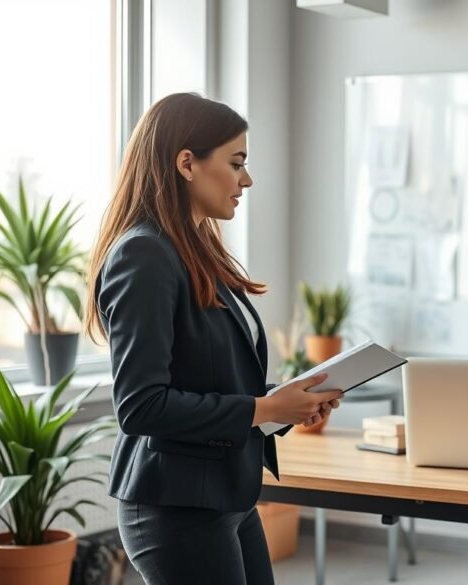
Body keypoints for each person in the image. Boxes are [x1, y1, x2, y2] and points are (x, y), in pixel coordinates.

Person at [84, 93, 341, 585]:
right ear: (187, 163)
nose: (247, 179)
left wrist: (287, 405)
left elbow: (212, 378)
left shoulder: (195, 249)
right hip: (174, 503)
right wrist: (264, 410)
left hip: (225, 491)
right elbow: (141, 407)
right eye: (236, 162)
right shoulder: (144, 255)